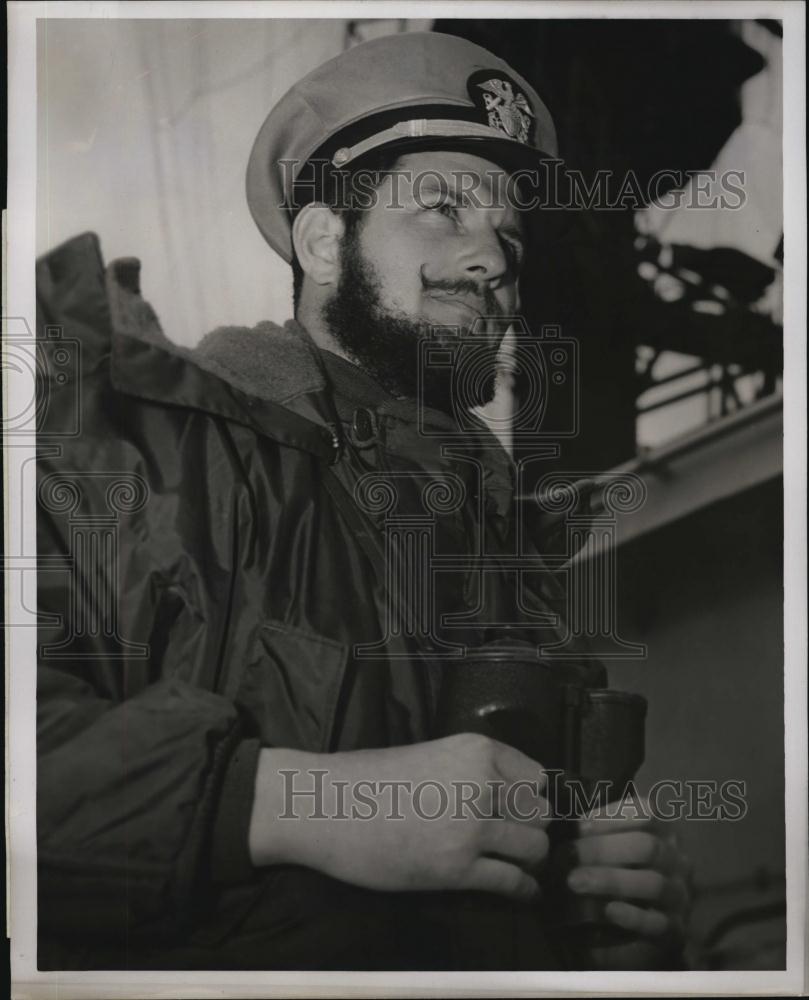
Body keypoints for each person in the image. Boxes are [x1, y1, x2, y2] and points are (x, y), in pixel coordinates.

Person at [36, 31, 689, 971]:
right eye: (441, 207)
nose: (490, 259)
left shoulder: (509, 550)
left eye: (508, 232)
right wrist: (303, 806)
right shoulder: (153, 452)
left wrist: (625, 902)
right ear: (321, 241)